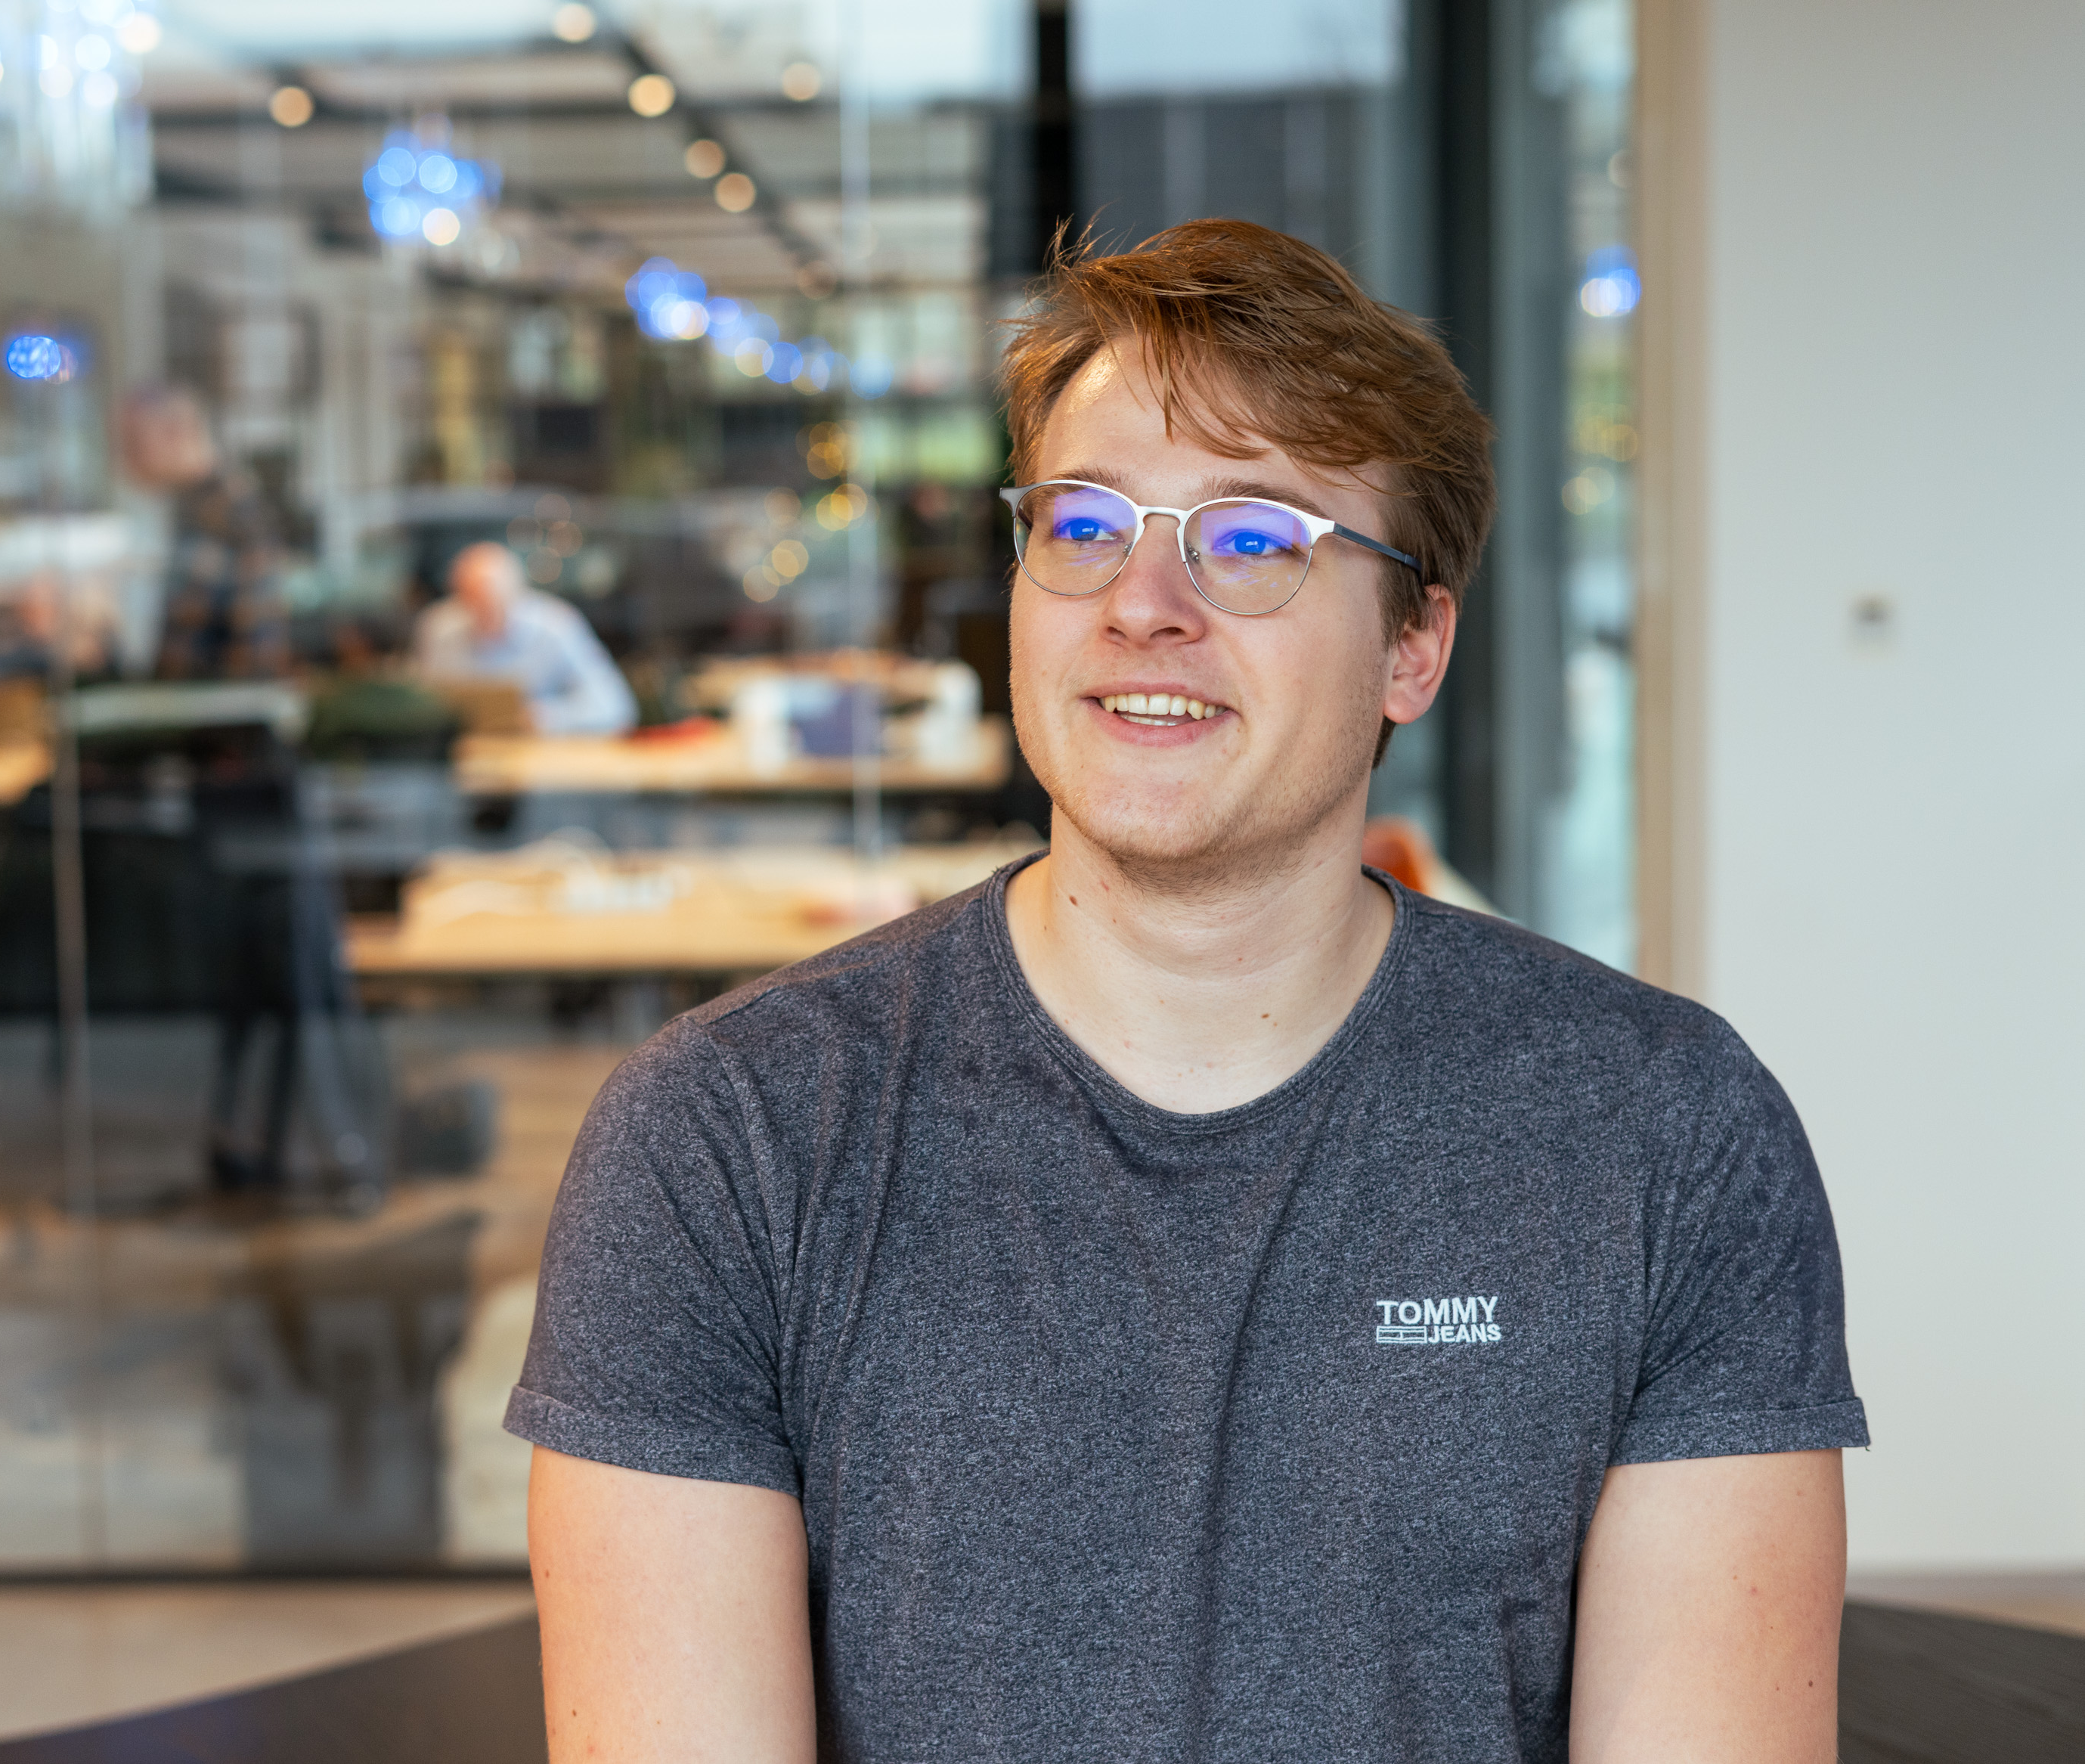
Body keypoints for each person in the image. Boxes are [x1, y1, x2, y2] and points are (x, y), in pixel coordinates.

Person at [510, 221, 1863, 1762]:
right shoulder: (722, 1139)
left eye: (1251, 537)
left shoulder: (1664, 1133)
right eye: (1082, 523)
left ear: (1413, 642)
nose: (1141, 601)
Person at [121, 385, 292, 681]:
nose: (124, 458)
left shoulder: (232, 509)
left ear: (174, 434)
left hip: (221, 714)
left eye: (133, 443)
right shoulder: (190, 507)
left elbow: (258, 643)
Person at [413, 541, 635, 736]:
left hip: (539, 762)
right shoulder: (438, 629)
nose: (484, 614)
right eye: (472, 602)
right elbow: (422, 700)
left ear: (519, 591)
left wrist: (546, 717)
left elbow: (614, 706)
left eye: (494, 604)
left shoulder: (557, 626)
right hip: (459, 761)